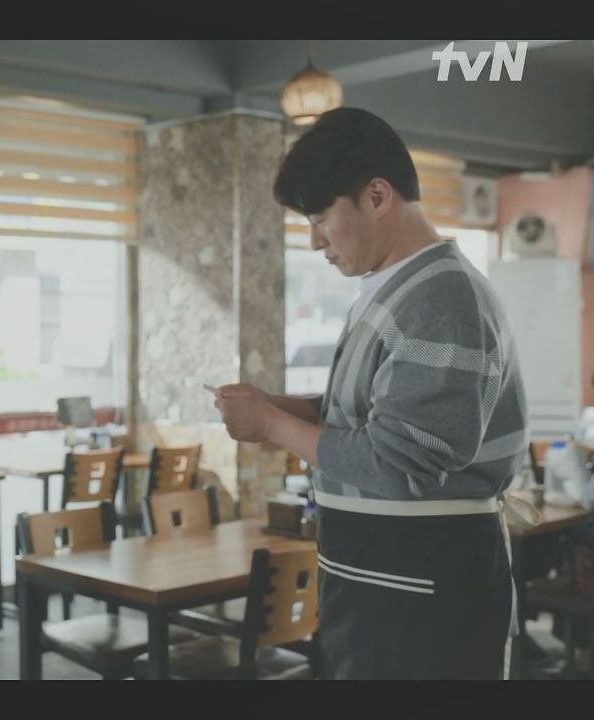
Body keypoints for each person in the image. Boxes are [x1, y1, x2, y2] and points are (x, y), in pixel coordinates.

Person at [213, 107, 527, 679]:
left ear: (377, 196)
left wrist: (274, 426)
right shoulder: (397, 289)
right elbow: (374, 414)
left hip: (426, 590)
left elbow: (398, 462)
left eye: (320, 218)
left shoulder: (442, 299)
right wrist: (283, 408)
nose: (315, 241)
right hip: (383, 583)